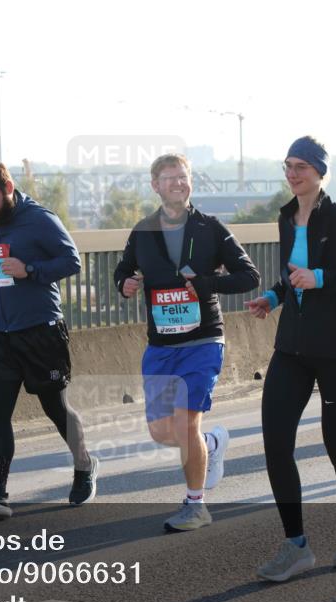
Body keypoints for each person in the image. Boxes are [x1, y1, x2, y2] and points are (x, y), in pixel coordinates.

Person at [245, 136, 336, 582]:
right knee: (275, 442)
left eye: (302, 166)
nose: (293, 173)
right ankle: (296, 546)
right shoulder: (287, 217)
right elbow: (292, 276)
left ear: (321, 171)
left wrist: (322, 277)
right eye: (288, 165)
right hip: (292, 349)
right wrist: (272, 295)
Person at [114, 153, 260, 532]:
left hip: (203, 340)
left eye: (183, 177)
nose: (177, 183)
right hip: (161, 345)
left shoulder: (210, 227)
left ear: (190, 182)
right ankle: (211, 445)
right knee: (162, 431)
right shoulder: (143, 230)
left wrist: (209, 283)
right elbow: (122, 271)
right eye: (169, 178)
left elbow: (249, 276)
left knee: (187, 420)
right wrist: (125, 285)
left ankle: (196, 504)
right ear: (155, 186)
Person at [0, 159, 97, 518]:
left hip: (41, 332)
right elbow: (3, 266)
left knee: (55, 408)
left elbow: (72, 261)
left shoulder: (40, 219)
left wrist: (31, 269)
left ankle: (84, 466)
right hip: (3, 334)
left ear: (7, 188)